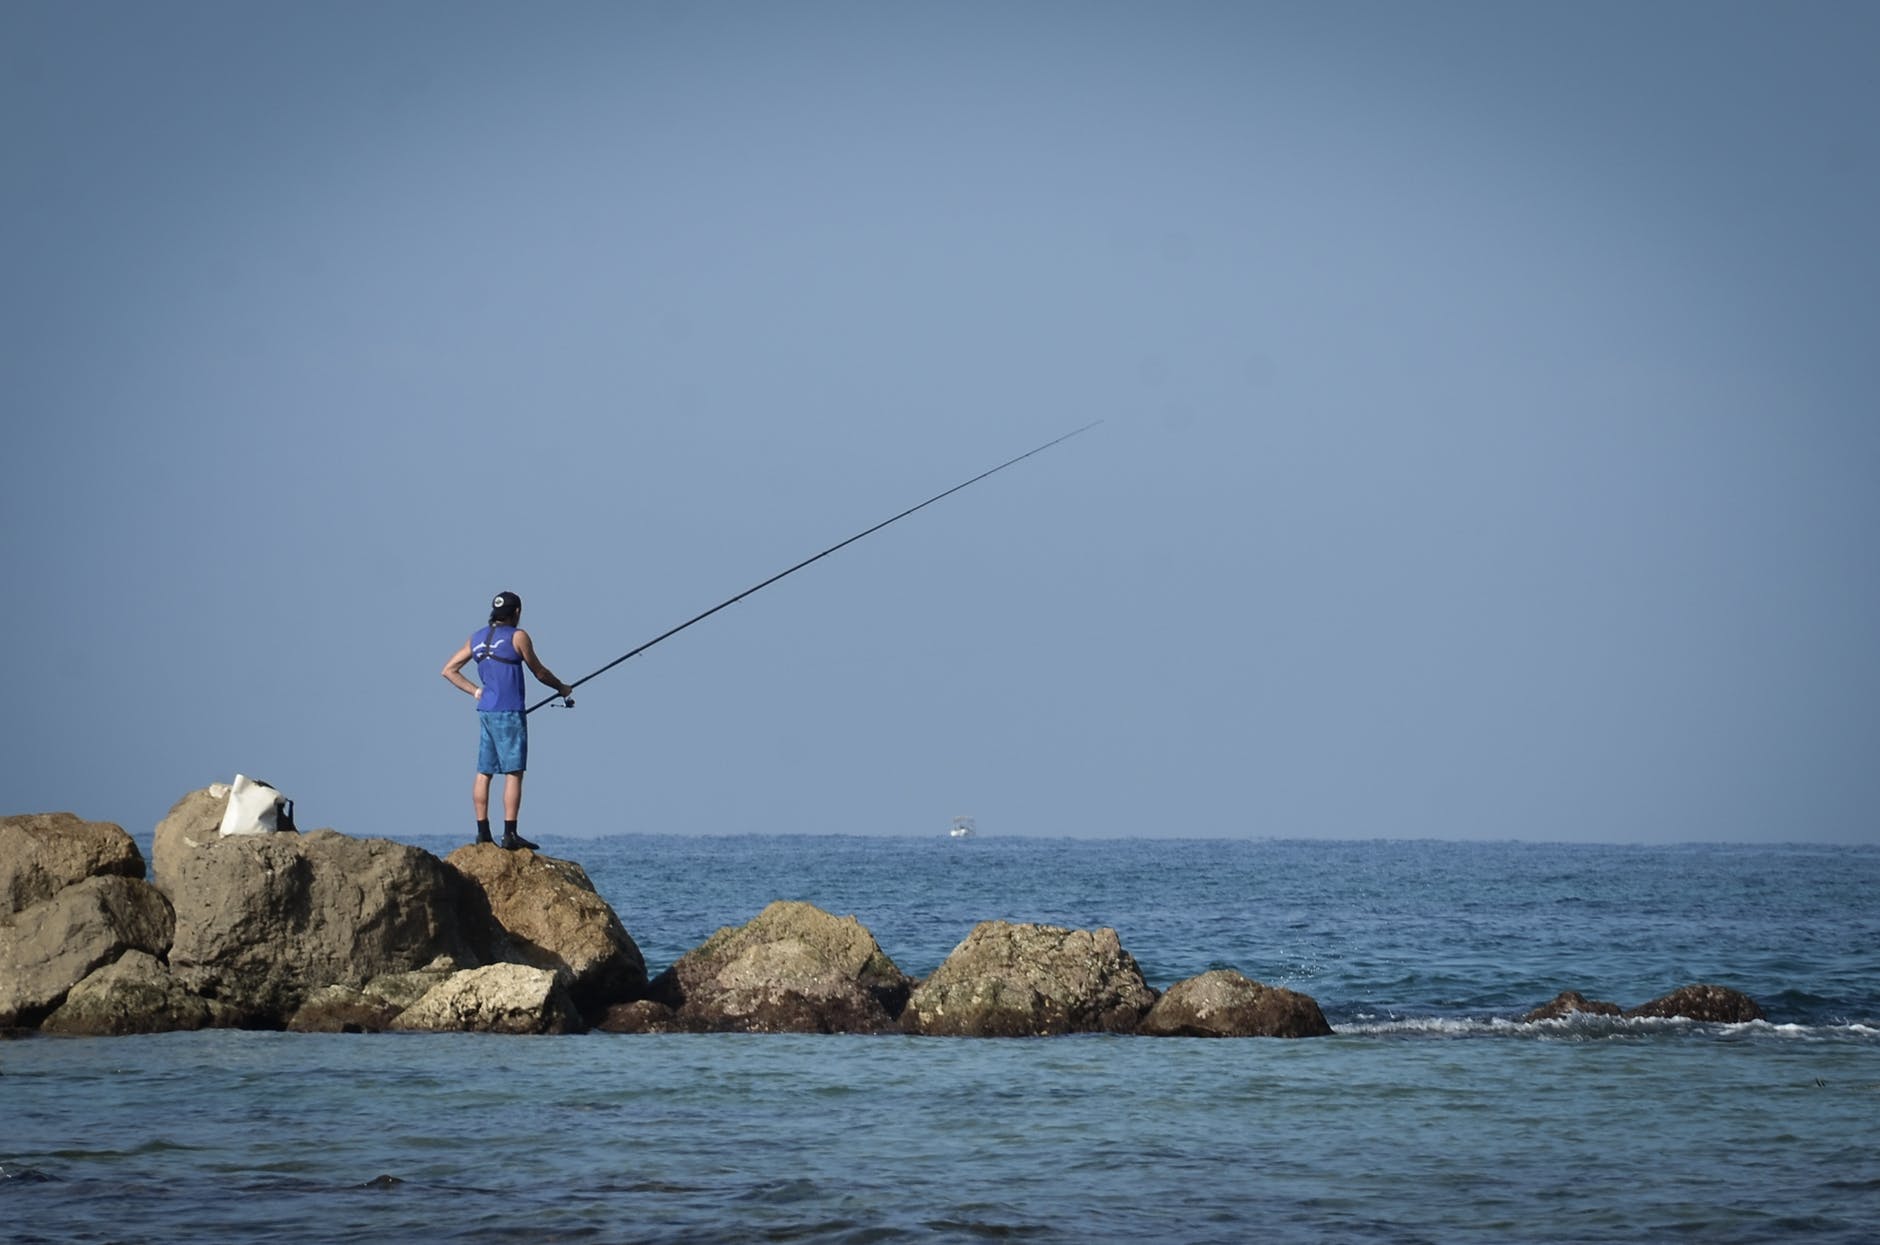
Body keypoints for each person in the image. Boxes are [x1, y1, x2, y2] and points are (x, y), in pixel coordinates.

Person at [441, 591, 574, 850]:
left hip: (486, 712)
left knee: (484, 771)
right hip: (510, 712)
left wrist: (476, 692)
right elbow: (539, 672)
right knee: (514, 771)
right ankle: (510, 834)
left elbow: (448, 670)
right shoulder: (518, 636)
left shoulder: (477, 638)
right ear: (517, 612)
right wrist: (562, 687)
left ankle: (483, 834)